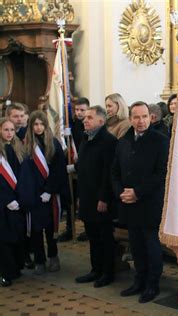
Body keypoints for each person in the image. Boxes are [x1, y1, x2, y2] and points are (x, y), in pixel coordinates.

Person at [111, 101, 169, 303]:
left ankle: (152, 284)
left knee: (151, 245)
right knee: (135, 245)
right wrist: (122, 193)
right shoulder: (124, 141)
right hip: (128, 203)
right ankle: (139, 280)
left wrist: (137, 192)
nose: (141, 121)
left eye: (145, 116)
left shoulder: (160, 141)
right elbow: (115, 171)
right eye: (136, 117)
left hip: (149, 202)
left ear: (151, 117)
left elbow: (161, 174)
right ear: (130, 119)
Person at [18, 110, 69, 275]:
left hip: (51, 195)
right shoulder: (26, 146)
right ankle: (40, 260)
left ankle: (53, 256)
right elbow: (25, 173)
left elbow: (58, 170)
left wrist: (49, 190)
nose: (39, 128)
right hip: (33, 195)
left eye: (42, 124)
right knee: (36, 230)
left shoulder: (53, 143)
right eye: (35, 124)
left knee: (51, 228)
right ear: (31, 126)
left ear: (46, 125)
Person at [72, 106, 117, 287]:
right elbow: (83, 169)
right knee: (92, 236)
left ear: (101, 120)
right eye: (85, 117)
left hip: (101, 198)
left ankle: (107, 272)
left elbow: (109, 173)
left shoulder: (108, 141)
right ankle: (95, 269)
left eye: (90, 117)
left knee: (104, 237)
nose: (85, 120)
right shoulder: (86, 138)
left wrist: (104, 198)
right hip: (87, 196)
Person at [58, 97, 90, 242]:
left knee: (84, 200)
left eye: (82, 110)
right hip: (71, 166)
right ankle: (70, 228)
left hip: (85, 169)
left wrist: (77, 165)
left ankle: (88, 229)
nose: (79, 113)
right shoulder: (71, 124)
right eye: (76, 110)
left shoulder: (89, 125)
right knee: (70, 198)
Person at [0, 118, 26, 287]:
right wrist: (7, 199)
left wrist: (20, 197)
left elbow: (23, 175)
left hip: (18, 199)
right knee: (4, 237)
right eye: (5, 129)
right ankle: (6, 272)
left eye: (12, 130)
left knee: (18, 234)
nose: (9, 133)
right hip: (3, 203)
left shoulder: (18, 148)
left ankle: (17, 267)